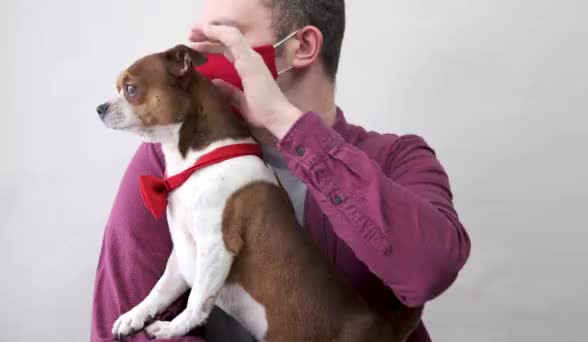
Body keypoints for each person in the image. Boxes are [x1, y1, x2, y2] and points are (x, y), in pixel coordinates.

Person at [90, 0, 471, 341]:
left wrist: (286, 124)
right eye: (197, 38)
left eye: (223, 36)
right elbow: (120, 324)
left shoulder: (399, 158)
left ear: (300, 47)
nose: (195, 56)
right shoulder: (169, 159)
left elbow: (429, 271)